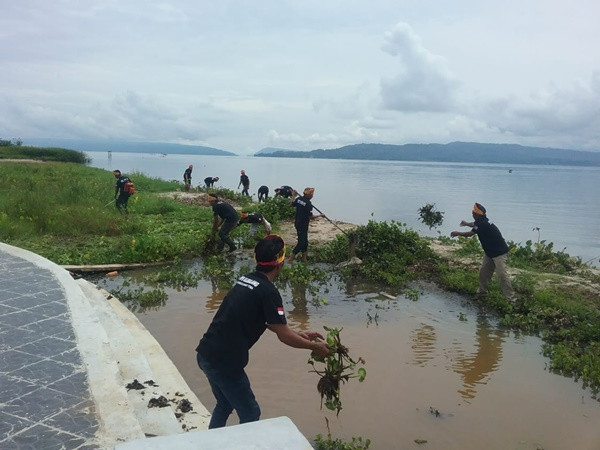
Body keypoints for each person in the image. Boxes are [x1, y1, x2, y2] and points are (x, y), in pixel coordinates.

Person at [195, 234, 330, 428]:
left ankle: (211, 442)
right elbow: (284, 337)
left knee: (224, 404)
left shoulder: (246, 280)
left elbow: (271, 323)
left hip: (206, 354)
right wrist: (314, 347)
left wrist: (300, 335)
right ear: (280, 264)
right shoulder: (268, 292)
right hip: (224, 363)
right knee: (250, 413)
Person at [450, 203, 515, 302]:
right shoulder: (483, 221)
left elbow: (469, 234)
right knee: (483, 273)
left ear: (477, 215)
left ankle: (511, 298)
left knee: (502, 275)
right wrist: (467, 223)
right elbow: (475, 224)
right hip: (489, 253)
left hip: (500, 253)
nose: (472, 214)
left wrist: (457, 233)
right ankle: (482, 293)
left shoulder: (482, 224)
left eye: (473, 213)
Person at [287, 187, 324, 263]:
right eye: (312, 194)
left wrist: (293, 195)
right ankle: (290, 260)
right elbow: (310, 217)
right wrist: (320, 215)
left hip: (297, 222)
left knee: (305, 242)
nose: (312, 196)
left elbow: (291, 203)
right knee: (301, 242)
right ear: (309, 195)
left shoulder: (299, 199)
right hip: (303, 224)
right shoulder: (308, 204)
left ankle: (304, 259)